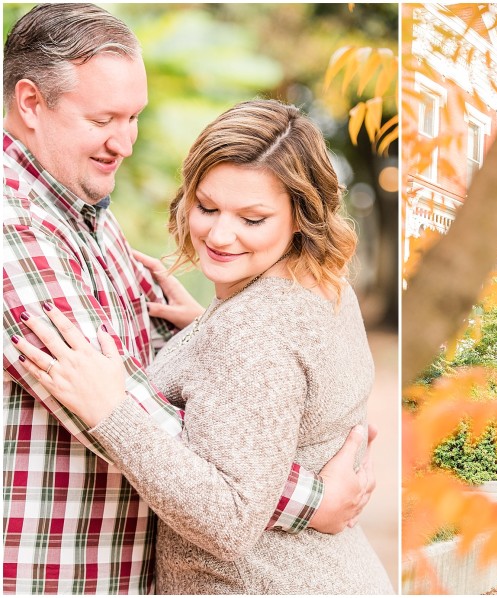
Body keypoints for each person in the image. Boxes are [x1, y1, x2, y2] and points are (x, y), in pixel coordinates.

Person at [3, 4, 376, 594]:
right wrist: (313, 497)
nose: (124, 143)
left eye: (134, 118)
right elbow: (122, 410)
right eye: (105, 118)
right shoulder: (16, 229)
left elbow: (159, 393)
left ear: (300, 219)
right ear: (30, 104)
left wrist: (211, 336)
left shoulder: (84, 208)